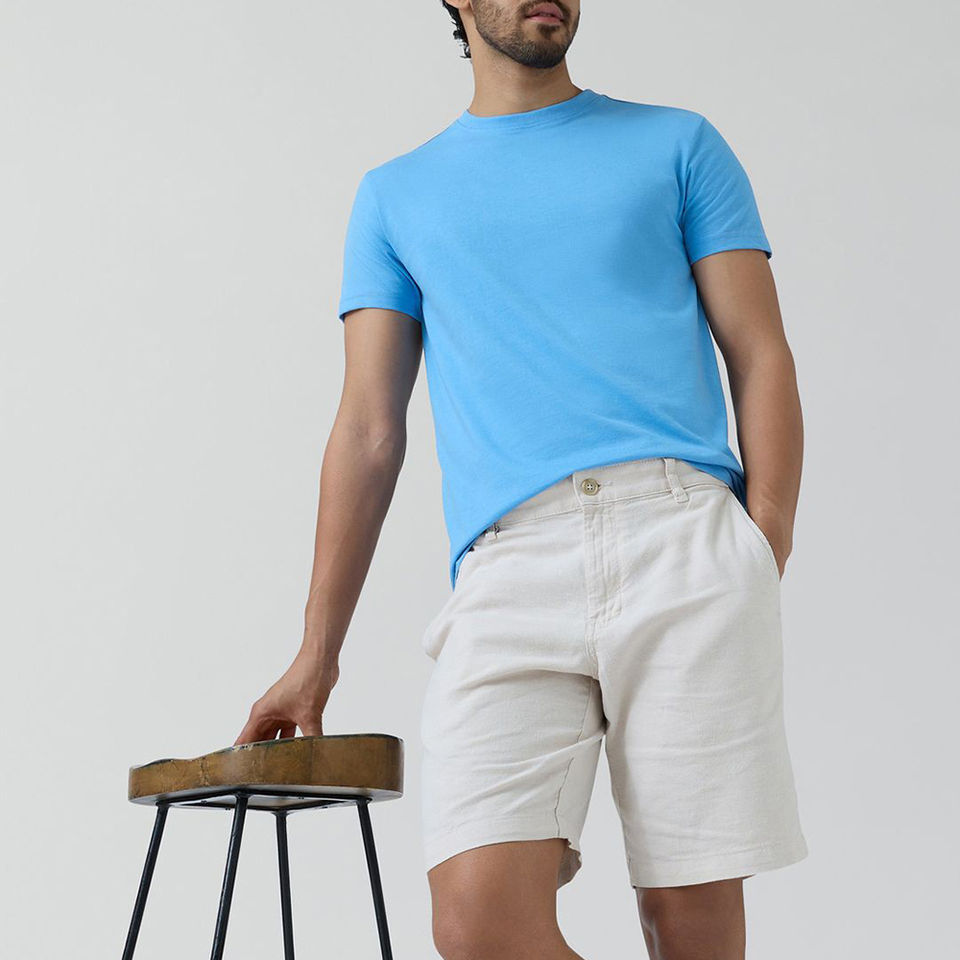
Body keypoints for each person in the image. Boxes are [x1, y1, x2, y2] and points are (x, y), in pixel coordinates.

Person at [234, 1, 809, 957]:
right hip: (509, 565)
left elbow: (761, 351)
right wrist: (316, 654)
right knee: (477, 925)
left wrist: (766, 535)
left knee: (689, 921)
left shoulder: (678, 144)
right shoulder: (395, 195)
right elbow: (369, 429)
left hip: (683, 536)